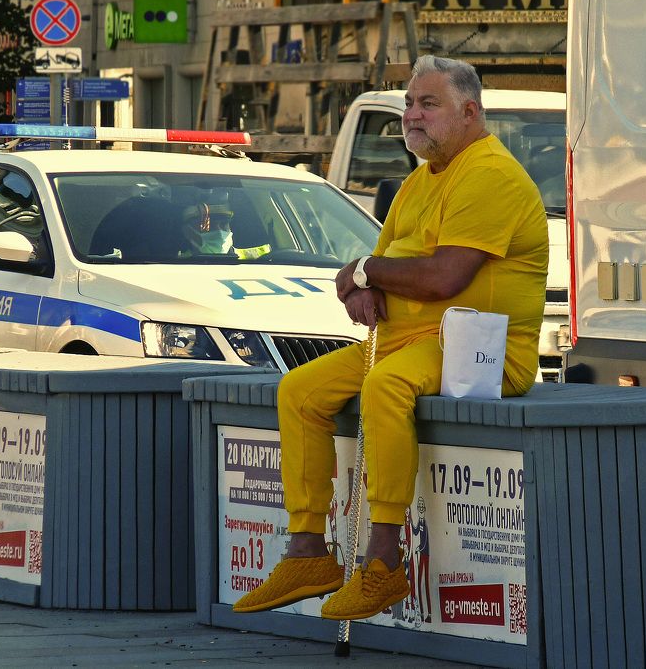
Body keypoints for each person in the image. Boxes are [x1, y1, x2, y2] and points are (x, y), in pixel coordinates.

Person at [233, 54, 548, 620]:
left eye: (429, 104)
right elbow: (373, 269)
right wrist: (361, 282)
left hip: (479, 351)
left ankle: (383, 560)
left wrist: (365, 273)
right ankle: (308, 552)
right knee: (299, 391)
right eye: (408, 103)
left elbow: (442, 277)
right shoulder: (418, 180)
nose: (412, 115)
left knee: (386, 386)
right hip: (408, 338)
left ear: (470, 112)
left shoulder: (489, 174)